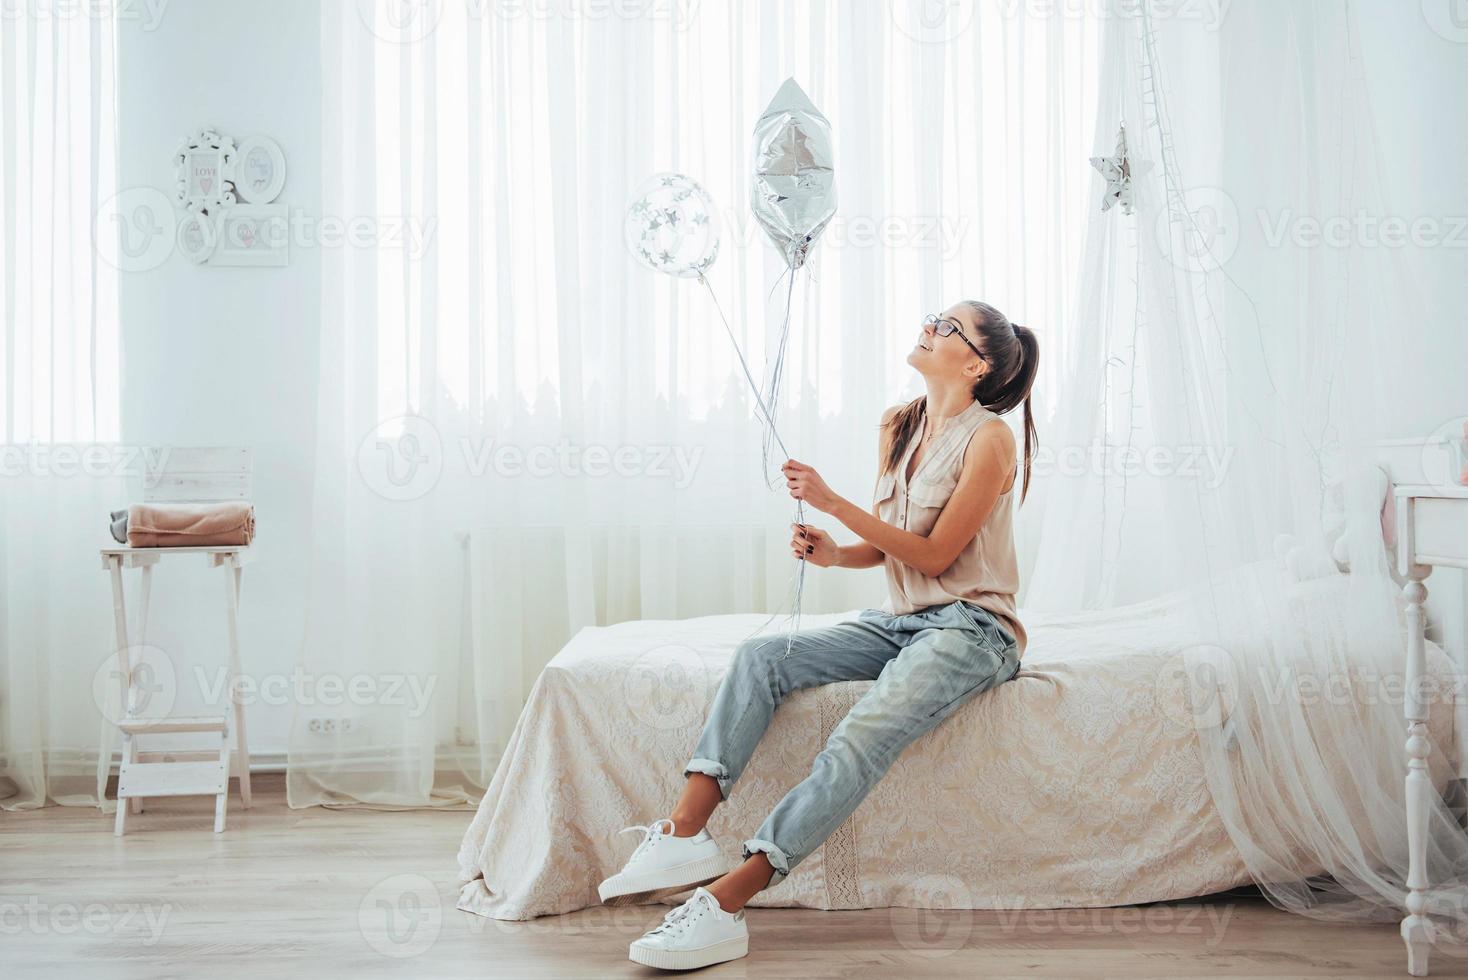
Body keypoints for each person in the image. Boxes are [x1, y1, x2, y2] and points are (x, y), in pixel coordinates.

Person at [604, 301, 1040, 970]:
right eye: (933, 316)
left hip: (974, 628)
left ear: (977, 365)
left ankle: (724, 903)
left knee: (859, 735)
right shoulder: (903, 423)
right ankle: (684, 831)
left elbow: (936, 557)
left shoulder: (991, 439)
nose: (928, 327)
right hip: (903, 621)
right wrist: (837, 554)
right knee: (763, 656)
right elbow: (901, 545)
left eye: (946, 326)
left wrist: (834, 502)